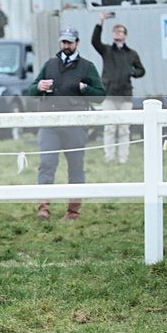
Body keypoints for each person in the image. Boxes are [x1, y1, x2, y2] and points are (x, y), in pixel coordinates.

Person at [25, 28, 105, 220]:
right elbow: (29, 92)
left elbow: (101, 96)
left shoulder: (87, 67)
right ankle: (43, 208)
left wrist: (85, 88)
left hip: (75, 124)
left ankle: (73, 211)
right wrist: (38, 87)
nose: (66, 46)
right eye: (63, 42)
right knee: (46, 164)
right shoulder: (49, 65)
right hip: (49, 123)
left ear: (77, 43)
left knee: (76, 167)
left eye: (69, 42)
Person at [92, 11, 146, 164]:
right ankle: (109, 157)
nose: (117, 33)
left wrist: (133, 73)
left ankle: (123, 158)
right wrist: (100, 22)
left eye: (120, 31)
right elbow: (95, 42)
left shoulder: (131, 54)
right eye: (115, 31)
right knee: (109, 127)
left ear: (125, 35)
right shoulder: (107, 51)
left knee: (124, 129)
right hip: (109, 94)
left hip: (125, 96)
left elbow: (142, 70)